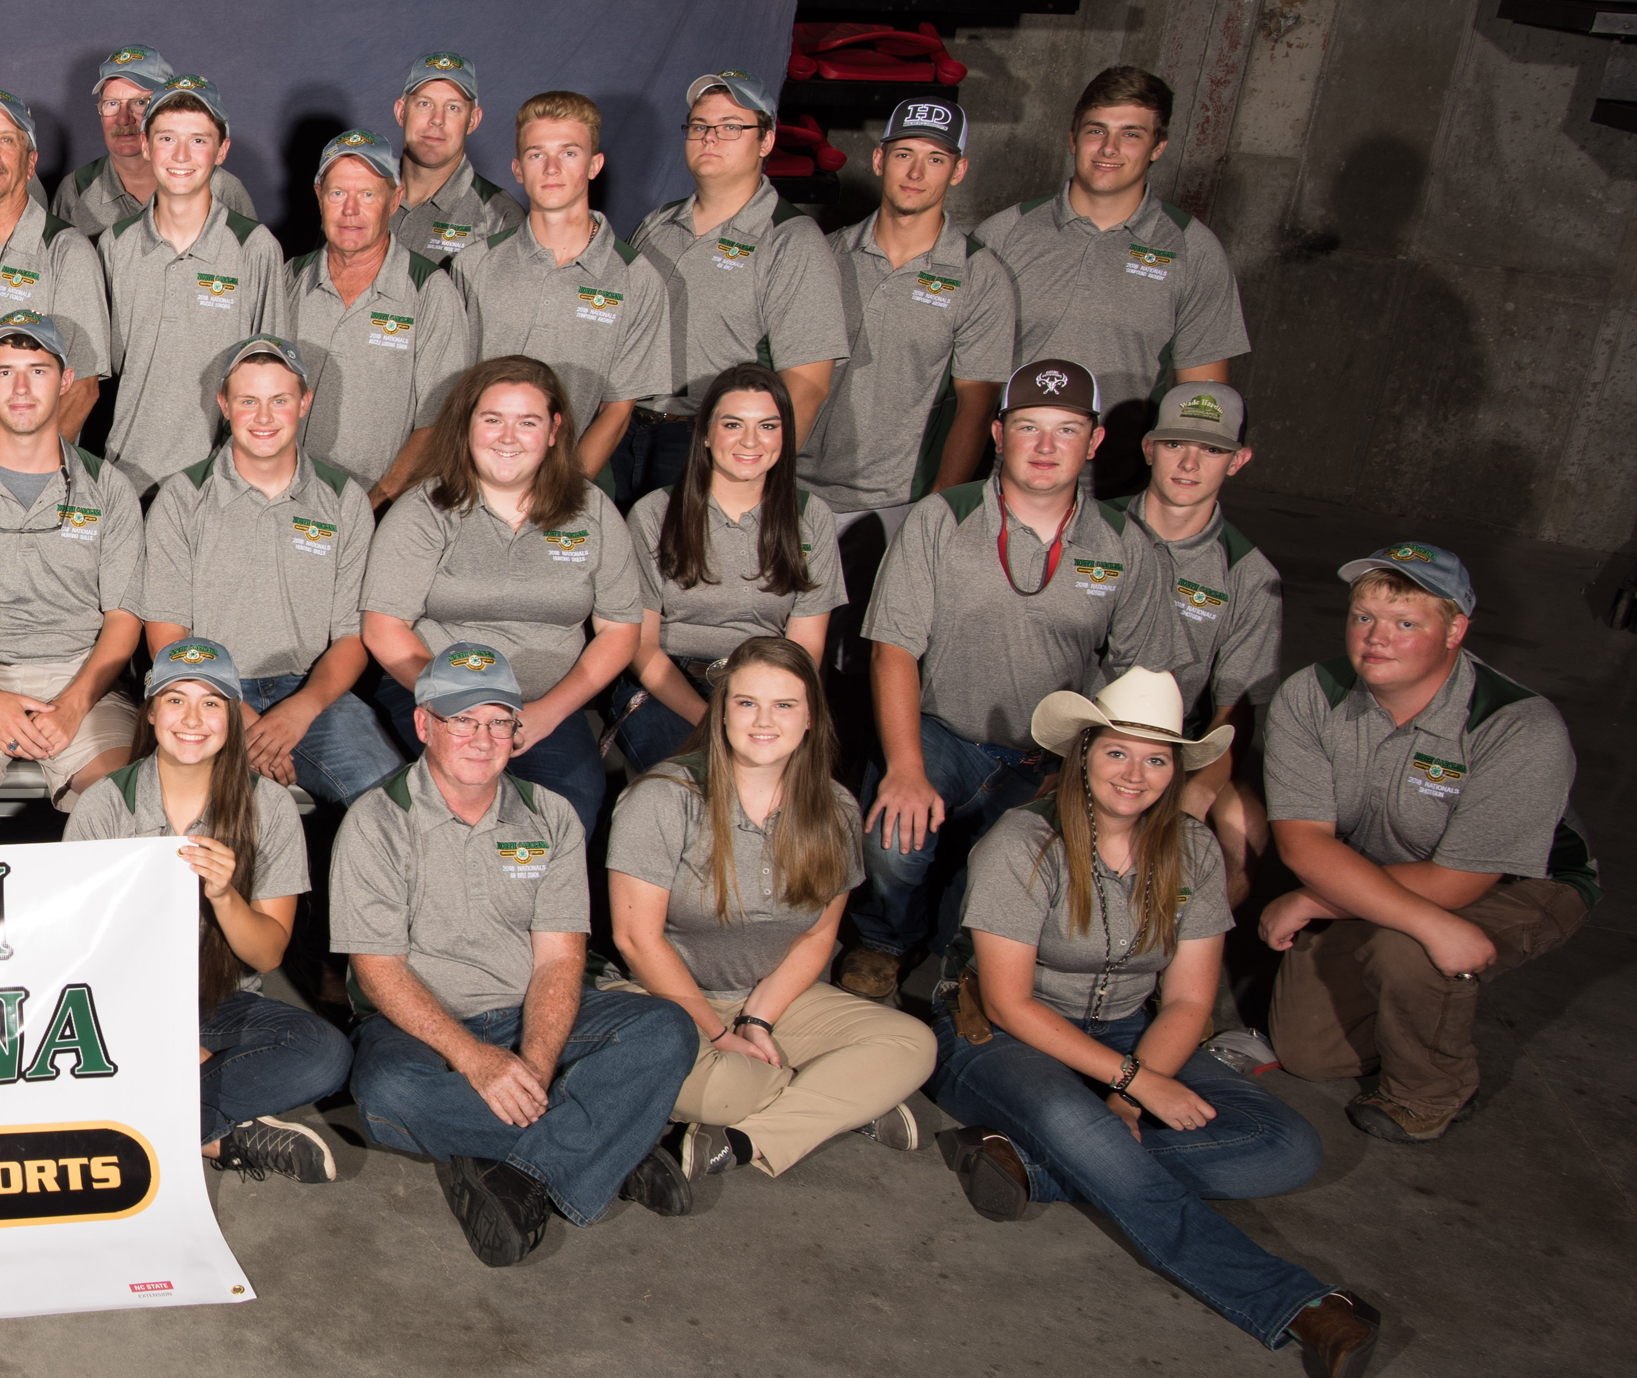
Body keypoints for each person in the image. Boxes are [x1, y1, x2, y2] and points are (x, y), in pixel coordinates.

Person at [931, 669, 1375, 1378]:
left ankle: (1036, 1170)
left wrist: (1130, 1101)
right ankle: (1298, 1304)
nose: (1134, 775)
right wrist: (1134, 1084)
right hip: (996, 1039)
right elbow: (1010, 1004)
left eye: (1156, 758)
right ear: (1083, 755)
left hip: (1130, 1030)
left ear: (1176, 771)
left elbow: (1191, 1001)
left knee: (1289, 1146)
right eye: (1117, 753)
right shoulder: (1024, 842)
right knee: (1076, 1120)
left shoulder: (1193, 852)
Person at [330, 644, 704, 1266]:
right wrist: (477, 1061)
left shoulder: (550, 817)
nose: (482, 738)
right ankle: (611, 1144)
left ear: (516, 730)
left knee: (667, 1030)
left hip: (532, 1012)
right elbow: (379, 969)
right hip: (424, 1031)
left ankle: (519, 1168)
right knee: (384, 1096)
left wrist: (530, 1065)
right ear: (425, 725)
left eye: (498, 721)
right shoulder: (376, 821)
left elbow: (561, 961)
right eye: (462, 721)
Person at [843, 357, 1188, 1002]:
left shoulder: (1124, 543)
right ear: (999, 435)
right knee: (893, 840)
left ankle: (968, 954)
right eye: (1029, 427)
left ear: (1095, 441)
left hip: (1052, 752)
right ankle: (883, 938)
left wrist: (1086, 764)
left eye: (1066, 429)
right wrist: (907, 766)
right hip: (943, 733)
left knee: (1016, 883)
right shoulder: (941, 519)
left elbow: (1140, 670)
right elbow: (893, 650)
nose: (1046, 446)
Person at [1262, 541, 1594, 1145]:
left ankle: (1430, 1094)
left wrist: (1318, 901)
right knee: (1307, 1052)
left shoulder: (1518, 724)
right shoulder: (1312, 696)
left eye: (1406, 623)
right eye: (1364, 617)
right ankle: (1422, 1003)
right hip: (1384, 869)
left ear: (1455, 630)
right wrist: (1331, 890)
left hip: (1522, 881)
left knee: (1408, 949)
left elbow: (1458, 884)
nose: (1375, 638)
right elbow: (1305, 847)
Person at [605, 636, 934, 1180]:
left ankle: (748, 1139)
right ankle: (846, 1103)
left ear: (810, 719)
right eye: (746, 702)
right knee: (725, 1087)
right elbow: (636, 940)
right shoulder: (664, 797)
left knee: (912, 1043)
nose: (764, 720)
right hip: (658, 998)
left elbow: (816, 937)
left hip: (768, 1001)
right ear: (722, 713)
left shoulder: (836, 809)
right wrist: (718, 1033)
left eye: (784, 705)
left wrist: (757, 1019)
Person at [62, 638, 349, 1183]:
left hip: (219, 1003)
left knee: (325, 1053)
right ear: (150, 712)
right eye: (175, 700)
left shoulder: (268, 804)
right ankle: (221, 1136)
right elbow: (83, 958)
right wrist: (179, 1048)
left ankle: (144, 1124)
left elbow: (265, 954)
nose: (192, 718)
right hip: (123, 1008)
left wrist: (224, 895)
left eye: (212, 703)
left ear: (233, 717)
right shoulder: (106, 803)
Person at [360, 356, 642, 839]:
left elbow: (620, 631)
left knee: (568, 814)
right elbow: (383, 627)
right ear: (468, 426)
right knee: (451, 817)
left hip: (543, 707)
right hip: (438, 701)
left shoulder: (591, 510)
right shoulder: (425, 510)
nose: (507, 437)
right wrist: (459, 710)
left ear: (554, 430)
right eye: (492, 420)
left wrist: (549, 712)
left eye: (527, 422)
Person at [815, 97, 1020, 717]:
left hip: (889, 503)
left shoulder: (980, 277)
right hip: (797, 491)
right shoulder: (821, 255)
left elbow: (976, 407)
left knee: (851, 677)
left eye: (935, 159)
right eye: (903, 154)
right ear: (879, 159)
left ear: (957, 171)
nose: (915, 171)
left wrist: (938, 516)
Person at [136, 341, 408, 807]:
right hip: (204, 690)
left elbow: (351, 637)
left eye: (279, 400)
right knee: (192, 812)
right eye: (248, 401)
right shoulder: (182, 497)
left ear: (305, 402)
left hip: (310, 689)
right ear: (224, 405)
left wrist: (300, 711)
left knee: (391, 805)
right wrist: (245, 723)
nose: (264, 418)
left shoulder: (343, 500)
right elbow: (168, 636)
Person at [0, 314, 146, 819]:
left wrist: (76, 704)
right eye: (4, 371)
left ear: (65, 379)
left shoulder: (110, 489)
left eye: (37, 370)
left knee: (124, 803)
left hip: (79, 676)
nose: (20, 388)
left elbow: (124, 620)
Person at [972, 66, 1249, 499]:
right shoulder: (1002, 236)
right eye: (1096, 130)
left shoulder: (1193, 250)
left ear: (1158, 147)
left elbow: (1203, 406)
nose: (1109, 148)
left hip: (1117, 496)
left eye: (1132, 135)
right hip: (997, 486)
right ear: (1072, 137)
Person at [625, 71, 847, 509]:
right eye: (700, 126)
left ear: (765, 141)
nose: (710, 138)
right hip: (627, 428)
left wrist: (752, 482)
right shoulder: (656, 224)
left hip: (709, 444)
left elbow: (808, 383)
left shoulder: (791, 240)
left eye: (731, 127)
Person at [621, 365, 842, 774]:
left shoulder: (812, 518)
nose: (750, 441)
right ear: (705, 433)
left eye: (768, 426)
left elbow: (805, 650)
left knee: (782, 785)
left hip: (767, 686)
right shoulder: (654, 513)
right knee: (703, 779)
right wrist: (713, 721)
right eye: (733, 424)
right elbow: (640, 645)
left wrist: (758, 711)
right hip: (672, 682)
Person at [1105, 382, 1281, 881]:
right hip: (1078, 732)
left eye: (1212, 449)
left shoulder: (1250, 574)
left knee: (1242, 823)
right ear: (1148, 448)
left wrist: (1197, 794)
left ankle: (1185, 948)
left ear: (1238, 460)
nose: (1189, 464)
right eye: (1175, 444)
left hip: (1173, 748)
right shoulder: (1089, 529)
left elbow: (1235, 706)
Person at [453, 90, 672, 473]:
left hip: (572, 488)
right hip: (474, 480)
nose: (551, 168)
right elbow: (453, 391)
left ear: (594, 164)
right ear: (518, 168)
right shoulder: (474, 265)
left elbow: (617, 411)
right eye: (537, 154)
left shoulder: (637, 279)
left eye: (569, 153)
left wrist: (563, 495)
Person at [95, 77, 281, 486]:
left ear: (222, 150)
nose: (181, 155)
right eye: (166, 138)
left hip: (216, 485)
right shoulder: (116, 245)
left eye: (198, 140)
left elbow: (271, 381)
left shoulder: (254, 248)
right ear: (145, 144)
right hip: (124, 478)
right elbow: (97, 380)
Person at [283, 130, 475, 500]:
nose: (350, 210)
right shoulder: (289, 277)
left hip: (375, 508)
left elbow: (439, 423)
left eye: (367, 194)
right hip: (284, 501)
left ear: (394, 199)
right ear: (319, 195)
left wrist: (380, 502)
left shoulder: (430, 291)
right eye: (338, 193)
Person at [0, 87, 110, 461]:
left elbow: (83, 389)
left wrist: (18, 471)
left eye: (6, 141)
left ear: (31, 163)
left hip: (21, 487)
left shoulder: (66, 252)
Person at [54, 45, 257, 235]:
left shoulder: (222, 188)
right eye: (112, 103)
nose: (123, 118)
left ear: (168, 107)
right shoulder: (76, 190)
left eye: (141, 102)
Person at [383, 51, 513, 263]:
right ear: (400, 112)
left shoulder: (499, 217)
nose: (437, 120)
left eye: (453, 108)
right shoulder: (359, 199)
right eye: (424, 104)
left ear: (473, 120)